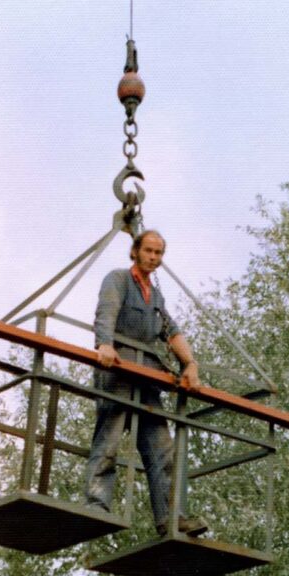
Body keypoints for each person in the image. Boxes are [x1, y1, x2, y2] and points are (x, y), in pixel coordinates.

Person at [84, 229, 209, 537]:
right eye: (149, 251)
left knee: (162, 448)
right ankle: (95, 504)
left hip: (148, 376)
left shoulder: (156, 295)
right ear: (135, 252)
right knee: (109, 439)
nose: (154, 257)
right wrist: (104, 343)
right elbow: (106, 311)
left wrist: (190, 363)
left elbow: (171, 330)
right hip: (119, 368)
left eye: (159, 253)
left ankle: (172, 518)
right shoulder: (119, 280)